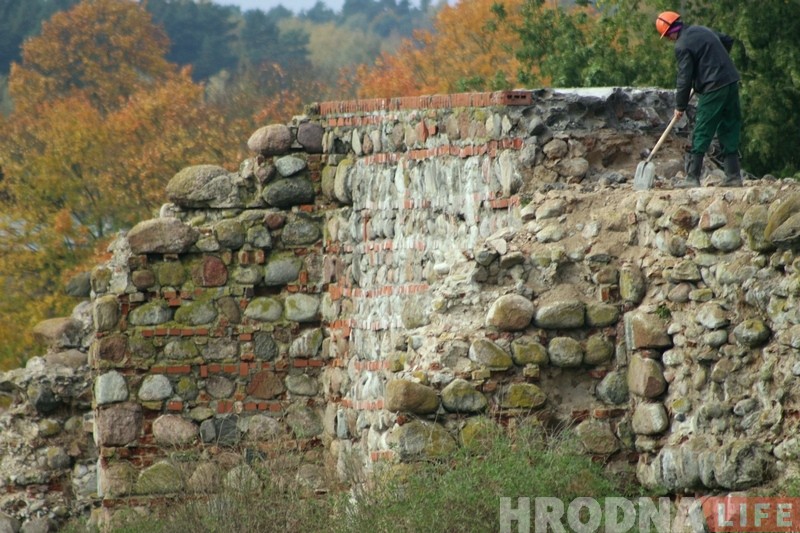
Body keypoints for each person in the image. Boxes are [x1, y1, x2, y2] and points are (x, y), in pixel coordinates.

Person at [656, 11, 743, 188]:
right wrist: (714, 62)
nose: (669, 40)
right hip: (731, 81)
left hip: (714, 87)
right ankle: (733, 176)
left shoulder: (682, 45)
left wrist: (680, 106)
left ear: (670, 32)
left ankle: (692, 178)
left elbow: (684, 77)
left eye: (667, 37)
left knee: (703, 128)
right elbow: (727, 40)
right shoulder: (701, 30)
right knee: (730, 126)